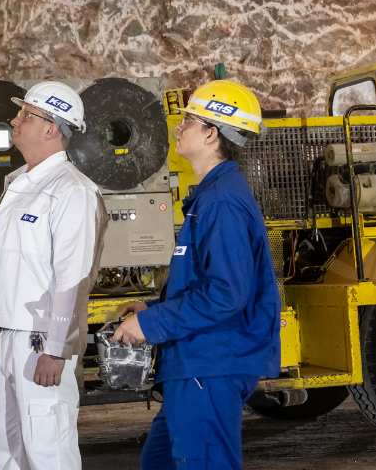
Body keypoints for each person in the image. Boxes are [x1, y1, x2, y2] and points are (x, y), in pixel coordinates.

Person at [111, 78, 280, 470]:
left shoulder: (221, 202)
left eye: (189, 119)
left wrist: (151, 323)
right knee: (158, 462)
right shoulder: (210, 196)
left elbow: (226, 293)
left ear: (211, 133)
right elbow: (205, 285)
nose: (180, 126)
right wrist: (151, 307)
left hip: (212, 361)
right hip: (196, 361)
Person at [0, 81, 109, 470]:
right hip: (7, 336)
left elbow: (74, 277)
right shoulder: (20, 184)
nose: (14, 120)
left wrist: (56, 348)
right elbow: (4, 266)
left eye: (26, 114)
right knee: (10, 452)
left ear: (52, 127)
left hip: (40, 342)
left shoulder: (73, 191)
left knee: (48, 450)